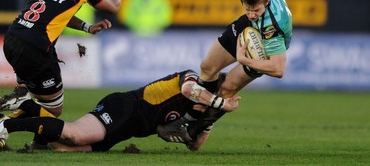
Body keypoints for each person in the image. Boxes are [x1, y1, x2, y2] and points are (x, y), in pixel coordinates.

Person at [0, 0, 127, 148]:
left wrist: (87, 27)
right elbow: (112, 7)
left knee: (42, 102)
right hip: (36, 49)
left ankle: (38, 144)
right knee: (53, 110)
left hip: (13, 39)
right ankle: (6, 122)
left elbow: (57, 11)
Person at [157, 0, 292, 143]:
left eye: (257, 10)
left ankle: (193, 130)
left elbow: (279, 69)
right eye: (248, 9)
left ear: (266, 1)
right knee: (207, 67)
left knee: (227, 87)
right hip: (247, 27)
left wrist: (243, 59)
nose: (252, 13)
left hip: (265, 43)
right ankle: (192, 115)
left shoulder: (273, 25)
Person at [0, 70, 240, 152]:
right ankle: (5, 125)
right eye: (220, 94)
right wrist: (220, 103)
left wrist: (212, 118)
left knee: (63, 146)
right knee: (75, 134)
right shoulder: (193, 79)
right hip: (125, 107)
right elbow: (189, 90)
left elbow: (193, 145)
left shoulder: (202, 110)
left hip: (125, 130)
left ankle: (27, 106)